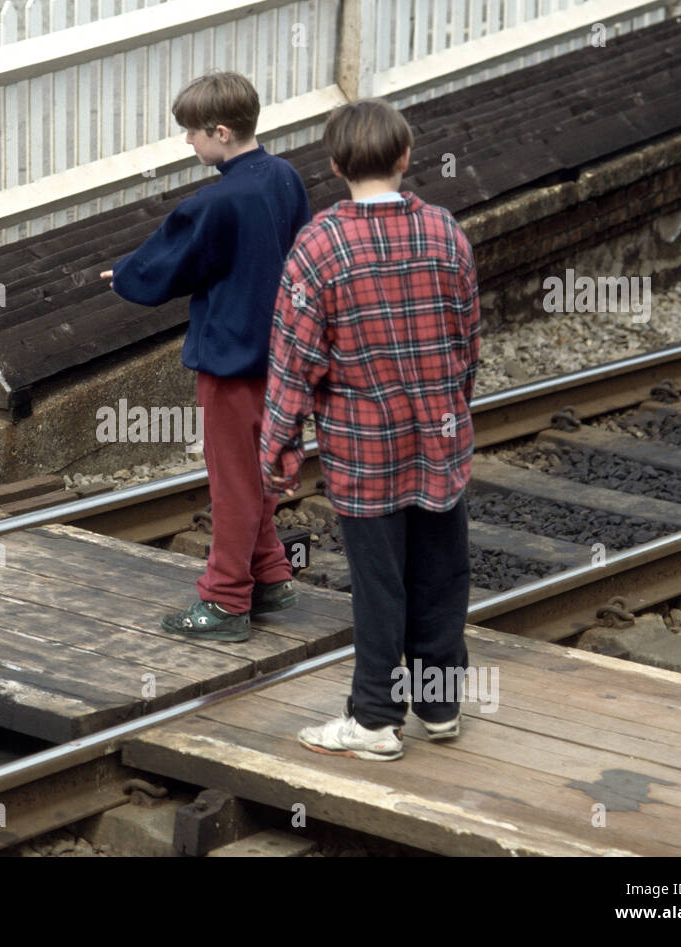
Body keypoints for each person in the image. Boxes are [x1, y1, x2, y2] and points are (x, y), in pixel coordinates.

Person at [261, 99, 481, 760]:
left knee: (380, 584)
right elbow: (468, 341)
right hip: (441, 443)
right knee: (442, 576)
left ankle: (375, 719)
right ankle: (439, 706)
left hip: (363, 451)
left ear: (334, 166)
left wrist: (280, 446)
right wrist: (454, 409)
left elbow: (293, 361)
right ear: (405, 157)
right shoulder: (446, 232)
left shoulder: (319, 246)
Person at [100, 71, 312, 642]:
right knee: (260, 470)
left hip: (230, 362)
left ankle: (224, 602)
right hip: (281, 358)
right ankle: (270, 576)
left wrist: (124, 275)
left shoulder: (215, 201)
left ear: (220, 132)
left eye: (192, 133)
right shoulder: (286, 178)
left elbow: (171, 264)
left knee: (232, 480)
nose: (188, 143)